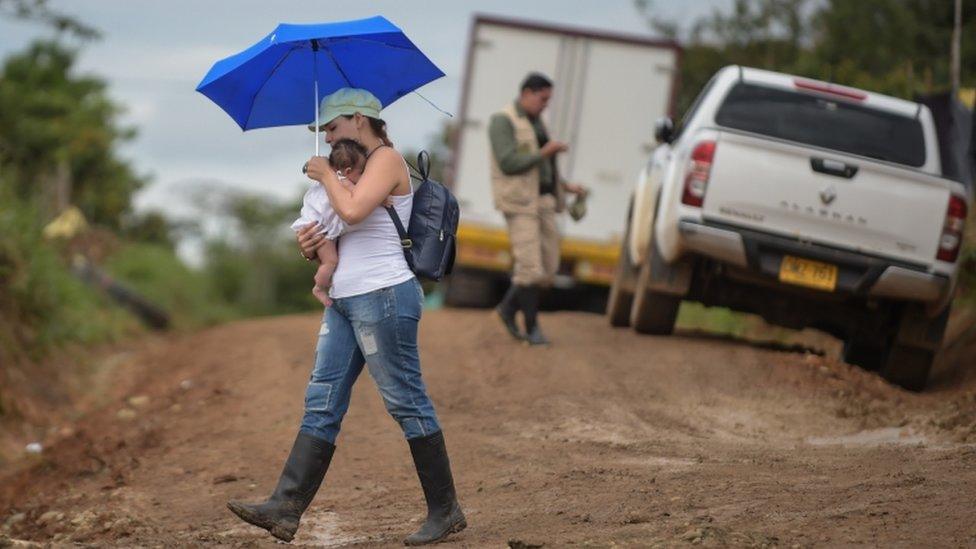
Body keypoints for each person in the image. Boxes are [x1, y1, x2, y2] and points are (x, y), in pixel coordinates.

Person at [227, 88, 466, 546]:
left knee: (405, 400)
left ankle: (446, 509)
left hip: (385, 295)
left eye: (332, 128)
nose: (328, 139)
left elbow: (354, 209)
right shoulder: (346, 169)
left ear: (359, 119)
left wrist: (323, 174)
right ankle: (285, 506)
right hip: (344, 298)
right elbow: (337, 224)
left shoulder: (387, 161)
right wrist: (310, 244)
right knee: (322, 401)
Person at [488, 72, 587, 346]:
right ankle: (532, 329)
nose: (545, 105)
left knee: (548, 268)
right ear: (527, 93)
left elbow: (541, 170)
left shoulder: (536, 122)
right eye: (542, 98)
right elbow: (508, 162)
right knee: (530, 268)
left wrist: (566, 187)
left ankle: (507, 308)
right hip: (519, 203)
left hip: (544, 202)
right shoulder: (503, 120)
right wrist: (546, 152)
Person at [290, 139, 367, 307]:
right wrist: (381, 199)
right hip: (318, 228)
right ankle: (318, 288)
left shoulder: (330, 177)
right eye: (361, 172)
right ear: (348, 171)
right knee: (330, 261)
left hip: (317, 225)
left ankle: (327, 281)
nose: (363, 177)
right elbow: (360, 196)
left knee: (330, 260)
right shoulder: (342, 180)